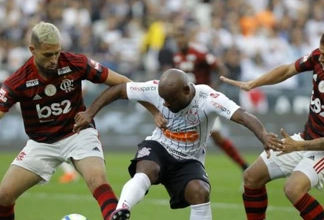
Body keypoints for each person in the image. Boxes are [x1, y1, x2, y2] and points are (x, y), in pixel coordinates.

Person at [73, 68, 281, 220]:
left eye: (170, 100)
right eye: (163, 99)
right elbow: (119, 90)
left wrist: (263, 135)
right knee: (147, 169)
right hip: (160, 146)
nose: (164, 104)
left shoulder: (208, 98)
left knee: (200, 192)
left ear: (186, 91)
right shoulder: (156, 89)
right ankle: (121, 210)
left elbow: (243, 116)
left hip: (189, 159)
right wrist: (90, 113)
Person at [0, 21, 147, 220]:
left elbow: (123, 84)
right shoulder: (19, 80)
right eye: (47, 55)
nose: (54, 60)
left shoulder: (75, 63)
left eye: (57, 53)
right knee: (4, 195)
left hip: (78, 133)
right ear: (32, 50)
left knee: (97, 180)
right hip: (41, 143)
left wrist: (153, 110)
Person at [219, 33, 324, 219]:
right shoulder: (318, 57)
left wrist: (299, 146)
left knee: (293, 189)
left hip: (320, 148)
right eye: (321, 52)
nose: (321, 57)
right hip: (306, 138)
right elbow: (286, 70)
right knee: (252, 177)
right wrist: (253, 83)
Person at [171, 27, 249, 171]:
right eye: (177, 39)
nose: (180, 42)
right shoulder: (176, 56)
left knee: (217, 137)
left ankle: (244, 166)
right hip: (185, 103)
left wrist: (212, 88)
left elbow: (221, 69)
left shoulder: (200, 54)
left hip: (201, 101)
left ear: (188, 39)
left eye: (182, 38)